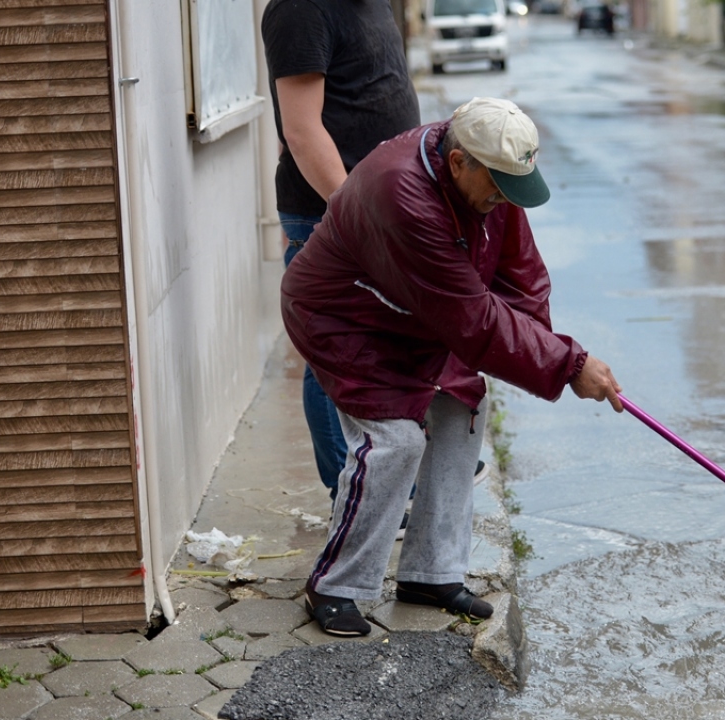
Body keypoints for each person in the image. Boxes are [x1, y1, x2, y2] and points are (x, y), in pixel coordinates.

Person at [282, 98, 624, 636]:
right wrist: (566, 365)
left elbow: (521, 276)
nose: (504, 199)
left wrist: (553, 350)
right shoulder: (402, 193)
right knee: (396, 441)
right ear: (460, 162)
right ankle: (336, 585)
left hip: (420, 313)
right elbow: (473, 320)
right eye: (498, 186)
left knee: (465, 407)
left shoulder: (491, 173)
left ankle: (430, 574)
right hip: (346, 316)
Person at [261, 0, 420, 500]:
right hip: (332, 217)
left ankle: (385, 481)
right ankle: (350, 490)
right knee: (333, 355)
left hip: (380, 211)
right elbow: (303, 131)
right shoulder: (301, 9)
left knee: (380, 347)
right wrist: (358, 217)